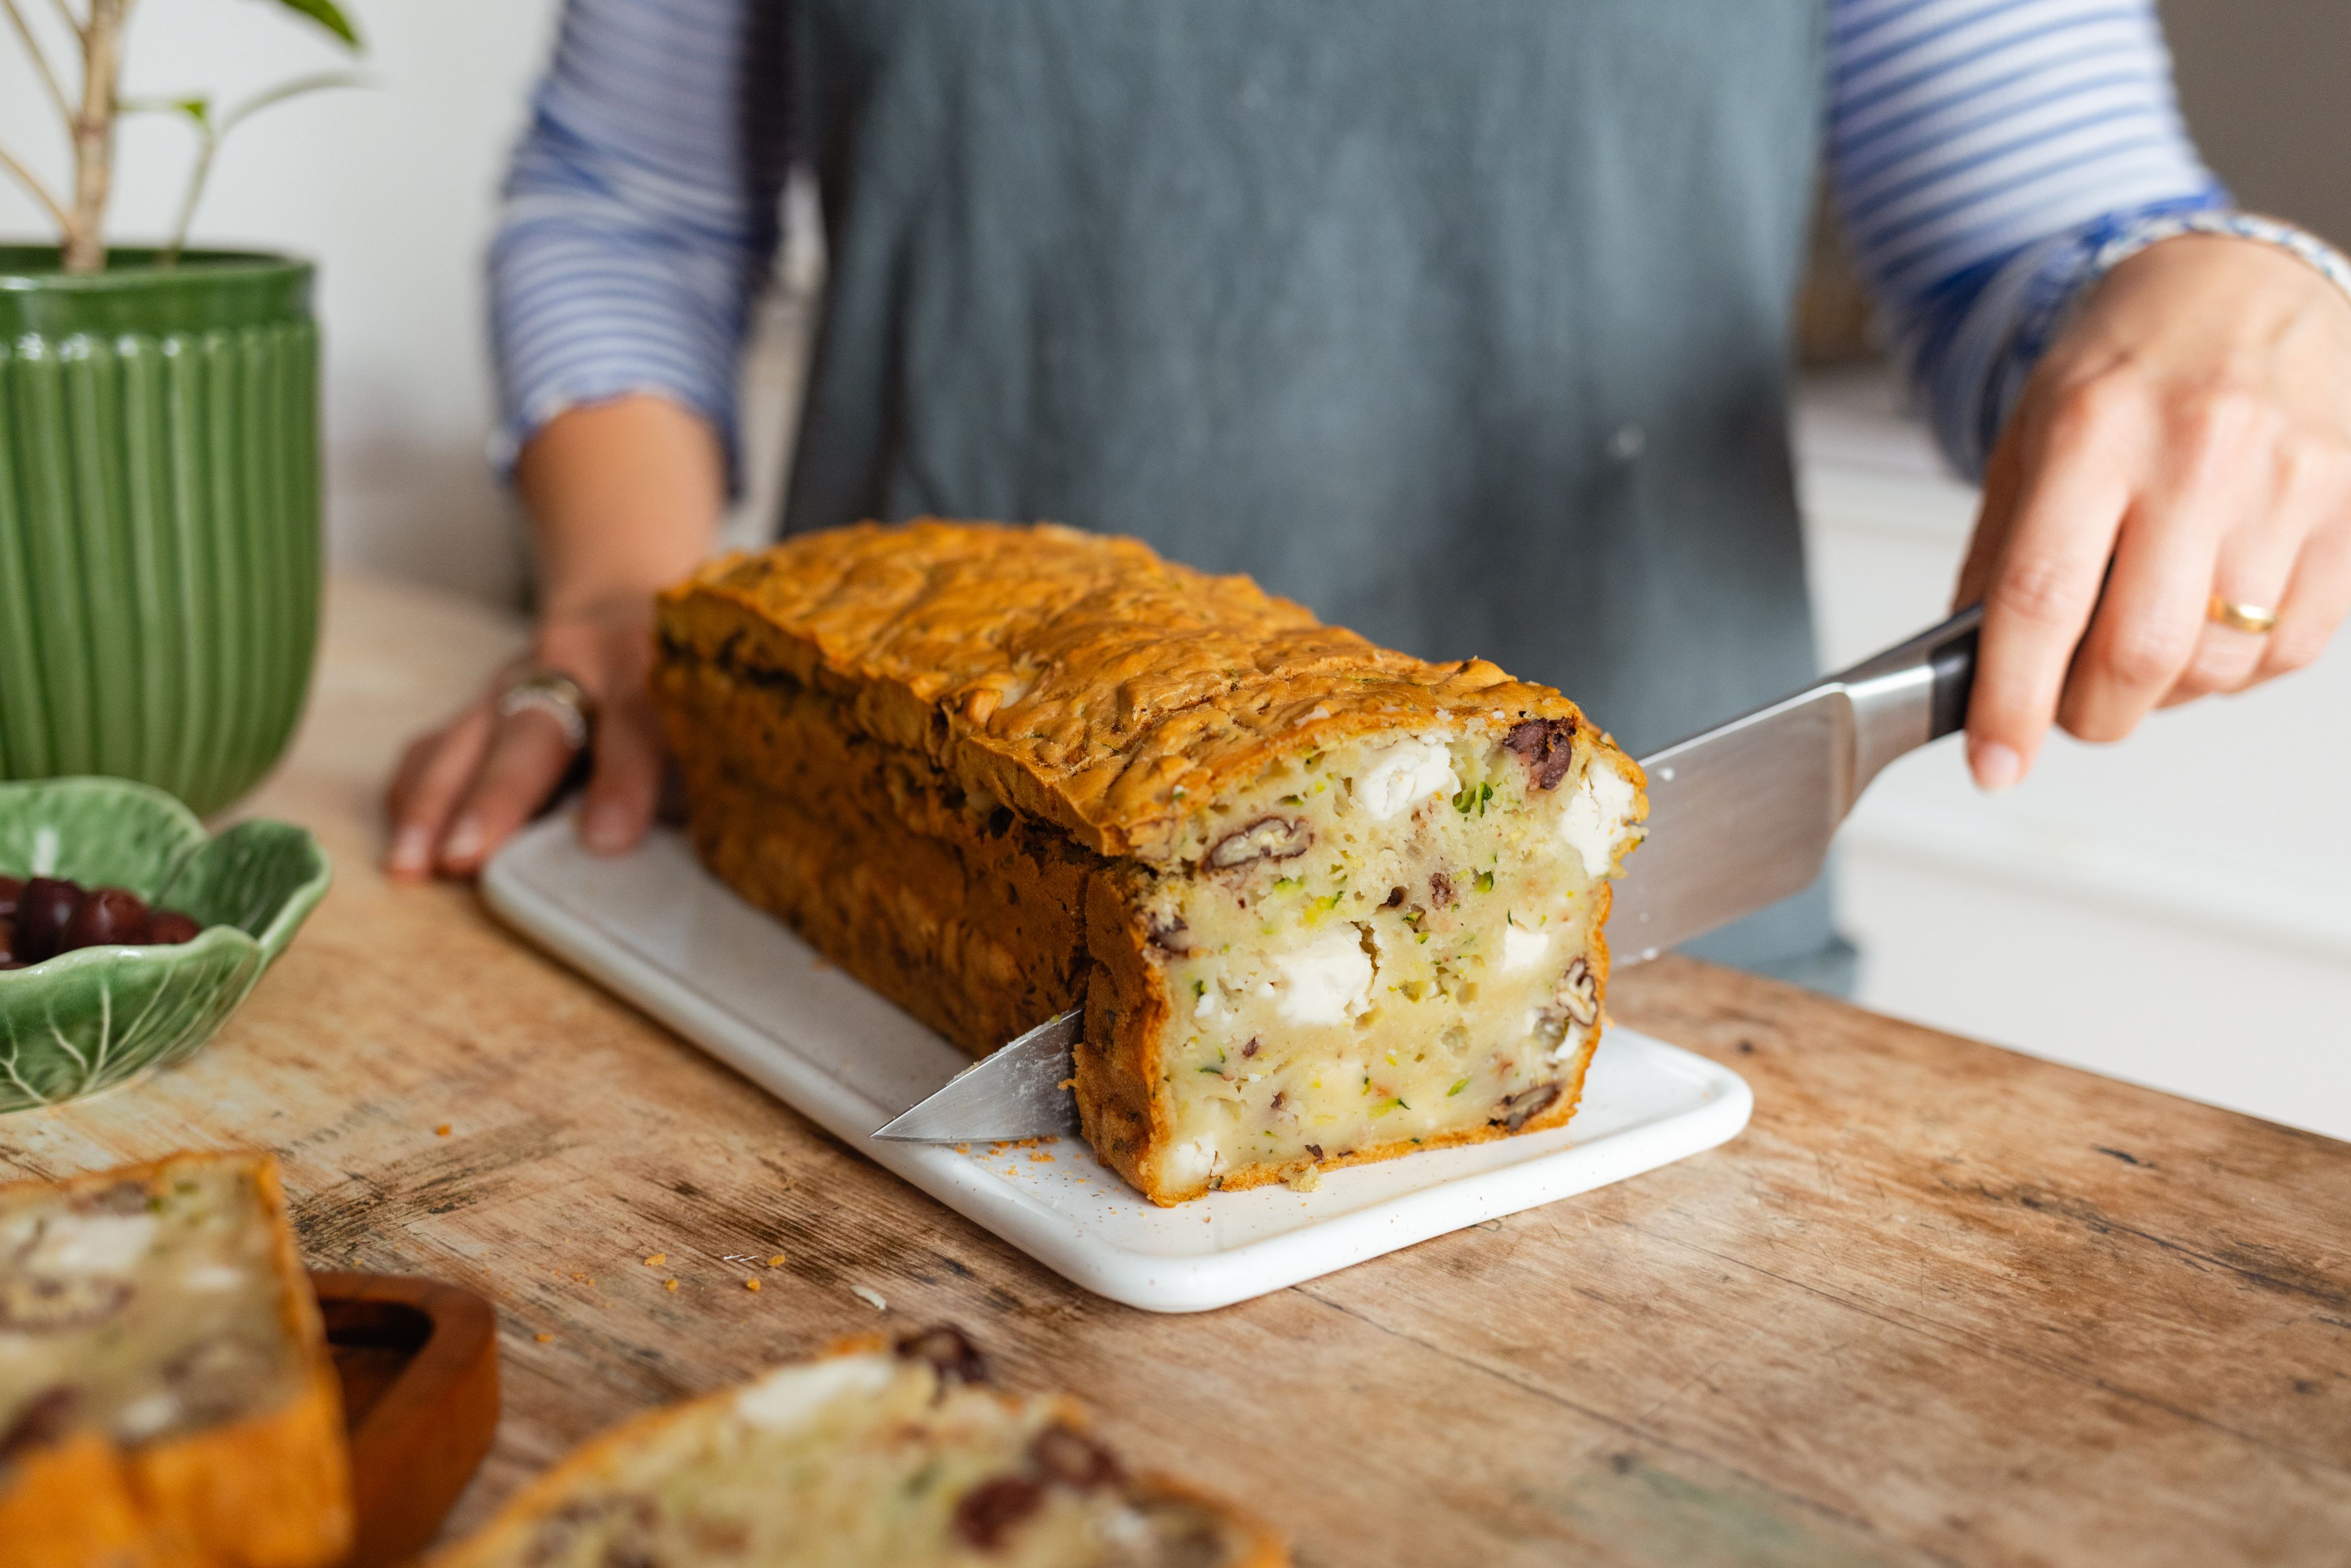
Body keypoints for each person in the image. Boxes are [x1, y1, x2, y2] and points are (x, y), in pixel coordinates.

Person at [387, 0, 2351, 992]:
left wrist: (2228, 299)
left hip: (1645, 975)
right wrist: (625, 589)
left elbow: (2054, 247)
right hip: (902, 954)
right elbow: (625, 204)